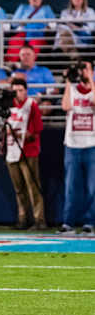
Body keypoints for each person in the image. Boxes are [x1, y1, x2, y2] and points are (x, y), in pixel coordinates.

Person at [3, 76, 46, 230]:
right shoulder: (8, 106)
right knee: (18, 188)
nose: (18, 94)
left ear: (26, 91)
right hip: (11, 149)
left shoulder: (31, 104)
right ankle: (22, 218)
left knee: (32, 186)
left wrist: (23, 134)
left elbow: (37, 129)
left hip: (28, 150)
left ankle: (39, 219)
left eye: (20, 90)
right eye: (15, 91)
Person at [60, 60, 95, 234]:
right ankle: (68, 222)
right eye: (81, 69)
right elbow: (66, 106)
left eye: (86, 69)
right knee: (71, 187)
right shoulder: (72, 90)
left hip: (92, 144)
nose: (82, 72)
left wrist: (91, 81)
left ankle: (90, 222)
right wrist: (68, 81)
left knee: (92, 187)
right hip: (72, 145)